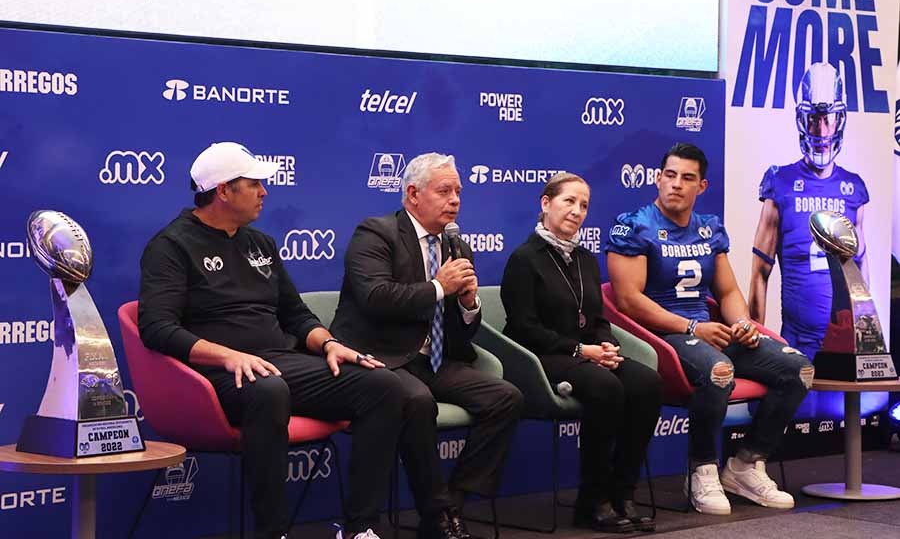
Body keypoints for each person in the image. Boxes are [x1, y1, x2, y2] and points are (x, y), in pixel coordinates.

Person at [139, 142, 405, 539]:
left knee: (382, 386)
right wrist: (228, 356)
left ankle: (361, 528)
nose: (265, 192)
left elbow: (294, 314)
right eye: (254, 184)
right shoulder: (171, 246)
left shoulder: (260, 243)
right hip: (215, 377)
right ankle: (272, 532)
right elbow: (156, 327)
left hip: (280, 362)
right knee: (269, 390)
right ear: (223, 191)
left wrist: (328, 344)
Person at [606, 142, 814, 515]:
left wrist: (742, 324)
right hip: (662, 337)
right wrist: (692, 327)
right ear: (657, 178)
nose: (676, 185)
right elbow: (627, 301)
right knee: (718, 370)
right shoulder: (635, 225)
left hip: (707, 331)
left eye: (687, 178)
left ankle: (746, 464)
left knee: (798, 369)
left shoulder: (709, 229)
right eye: (669, 175)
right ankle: (701, 469)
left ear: (701, 186)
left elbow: (729, 290)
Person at [331, 152, 523, 539]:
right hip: (378, 358)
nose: (455, 199)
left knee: (506, 397)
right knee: (416, 401)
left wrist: (469, 305)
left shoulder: (456, 246)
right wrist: (439, 288)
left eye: (458, 191)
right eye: (444, 190)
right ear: (413, 194)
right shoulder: (376, 233)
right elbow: (375, 297)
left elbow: (459, 334)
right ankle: (437, 518)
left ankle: (452, 501)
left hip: (432, 359)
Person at [500, 173, 661, 533]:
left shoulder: (586, 259)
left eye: (584, 205)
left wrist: (606, 345)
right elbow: (524, 328)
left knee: (647, 383)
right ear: (546, 204)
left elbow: (597, 317)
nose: (577, 211)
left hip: (586, 353)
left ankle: (623, 491)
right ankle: (592, 501)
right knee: (606, 387)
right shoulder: (524, 258)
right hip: (540, 358)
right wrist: (580, 350)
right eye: (568, 201)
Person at [749, 62, 869, 362]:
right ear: (802, 120)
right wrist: (755, 343)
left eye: (828, 119)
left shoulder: (854, 188)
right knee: (796, 408)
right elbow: (760, 273)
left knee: (847, 410)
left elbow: (861, 274)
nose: (821, 128)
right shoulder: (780, 182)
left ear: (840, 119)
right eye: (813, 119)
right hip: (796, 340)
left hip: (843, 340)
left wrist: (865, 336)